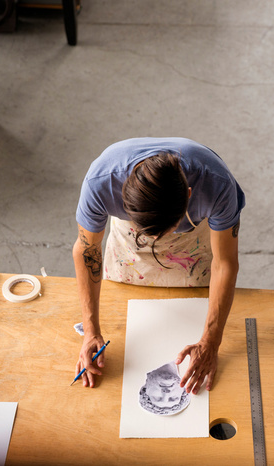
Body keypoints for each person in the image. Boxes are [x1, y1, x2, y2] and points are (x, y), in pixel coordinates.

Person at [73, 137, 245, 394]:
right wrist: (91, 331)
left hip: (191, 248)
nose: (156, 242)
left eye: (164, 231)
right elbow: (88, 252)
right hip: (130, 249)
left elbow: (225, 263)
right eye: (150, 233)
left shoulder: (217, 184)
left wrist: (211, 341)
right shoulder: (101, 182)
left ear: (189, 195)